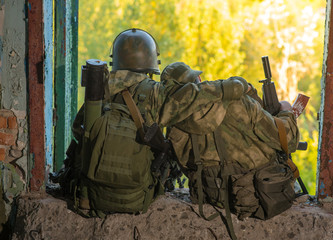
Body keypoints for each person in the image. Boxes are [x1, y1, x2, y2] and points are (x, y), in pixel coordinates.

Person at [52, 28, 251, 216]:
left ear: (117, 60)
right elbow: (192, 97)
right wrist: (232, 87)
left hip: (90, 195)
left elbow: (79, 130)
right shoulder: (155, 93)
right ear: (150, 62)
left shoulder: (99, 90)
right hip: (137, 197)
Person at [161, 62, 300, 221]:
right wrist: (286, 113)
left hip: (212, 196)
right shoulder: (238, 103)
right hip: (260, 195)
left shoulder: (173, 124)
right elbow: (289, 141)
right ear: (199, 79)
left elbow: (185, 166)